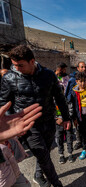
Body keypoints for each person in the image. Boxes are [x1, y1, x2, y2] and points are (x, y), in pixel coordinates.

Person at [0, 45, 70, 187]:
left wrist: (66, 117)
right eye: (14, 65)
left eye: (20, 65)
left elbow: (59, 97)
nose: (16, 68)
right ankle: (57, 184)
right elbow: (3, 103)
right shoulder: (9, 78)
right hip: (28, 126)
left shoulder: (49, 75)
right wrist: (11, 124)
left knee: (45, 152)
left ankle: (38, 175)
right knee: (43, 156)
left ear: (32, 61)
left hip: (49, 121)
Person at [65, 61, 86, 150]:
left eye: (84, 67)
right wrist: (71, 109)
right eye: (81, 67)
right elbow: (68, 95)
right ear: (77, 68)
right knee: (79, 129)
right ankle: (80, 143)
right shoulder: (72, 80)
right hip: (77, 108)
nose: (83, 69)